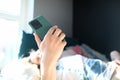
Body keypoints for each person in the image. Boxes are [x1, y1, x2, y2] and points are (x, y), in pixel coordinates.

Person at [1, 25, 120, 80]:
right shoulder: (10, 75)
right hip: (98, 74)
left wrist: (39, 57)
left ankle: (114, 61)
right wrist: (47, 62)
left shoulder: (12, 67)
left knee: (113, 56)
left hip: (95, 66)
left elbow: (30, 60)